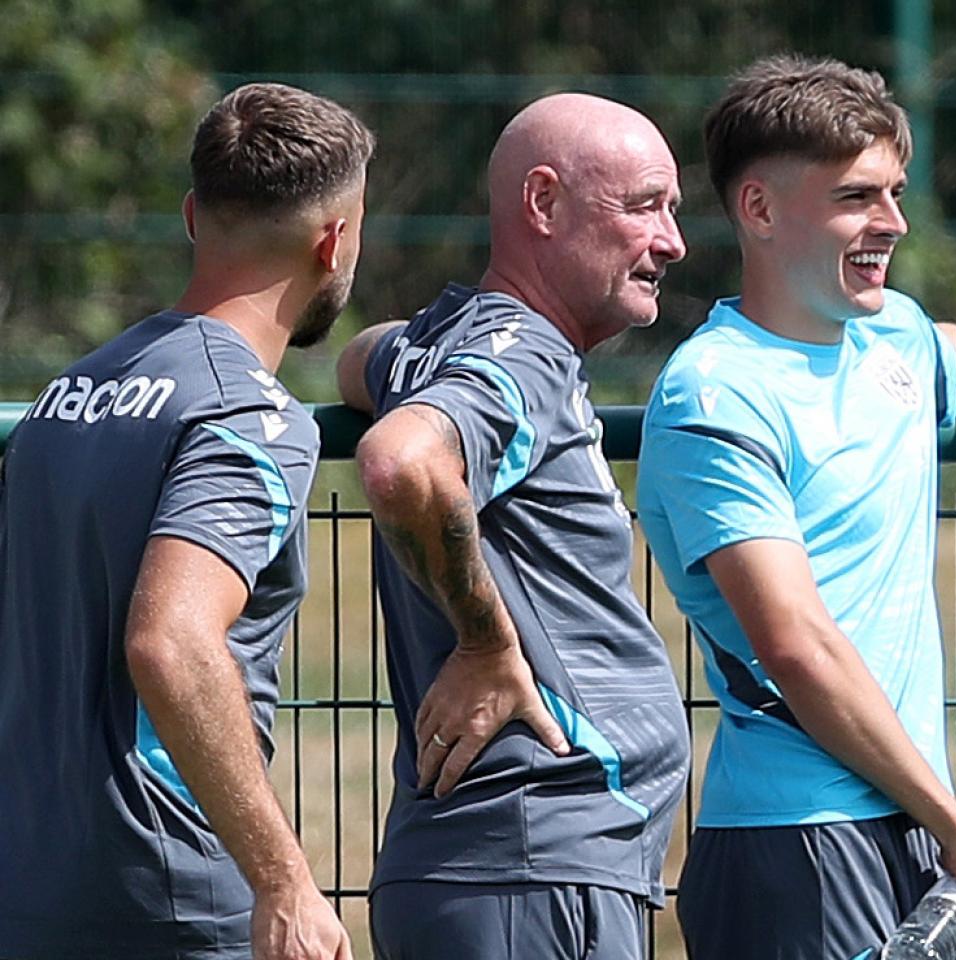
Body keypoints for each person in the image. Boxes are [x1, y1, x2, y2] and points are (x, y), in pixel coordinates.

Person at [636, 54, 956, 960]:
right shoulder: (715, 396)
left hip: (910, 830)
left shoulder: (885, 329)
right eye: (859, 197)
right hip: (801, 848)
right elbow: (796, 647)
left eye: (894, 192)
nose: (893, 223)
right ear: (762, 211)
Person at [0, 83, 373, 960]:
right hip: (167, 895)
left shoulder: (67, 394)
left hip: (30, 885)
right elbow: (170, 641)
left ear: (191, 216)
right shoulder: (249, 414)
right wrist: (283, 884)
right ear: (335, 241)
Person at [335, 92, 691, 960]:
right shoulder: (522, 351)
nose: (672, 241)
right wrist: (487, 646)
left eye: (671, 211)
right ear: (542, 203)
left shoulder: (463, 341)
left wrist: (417, 351)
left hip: (506, 873)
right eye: (643, 205)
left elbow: (355, 359)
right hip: (529, 874)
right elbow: (401, 461)